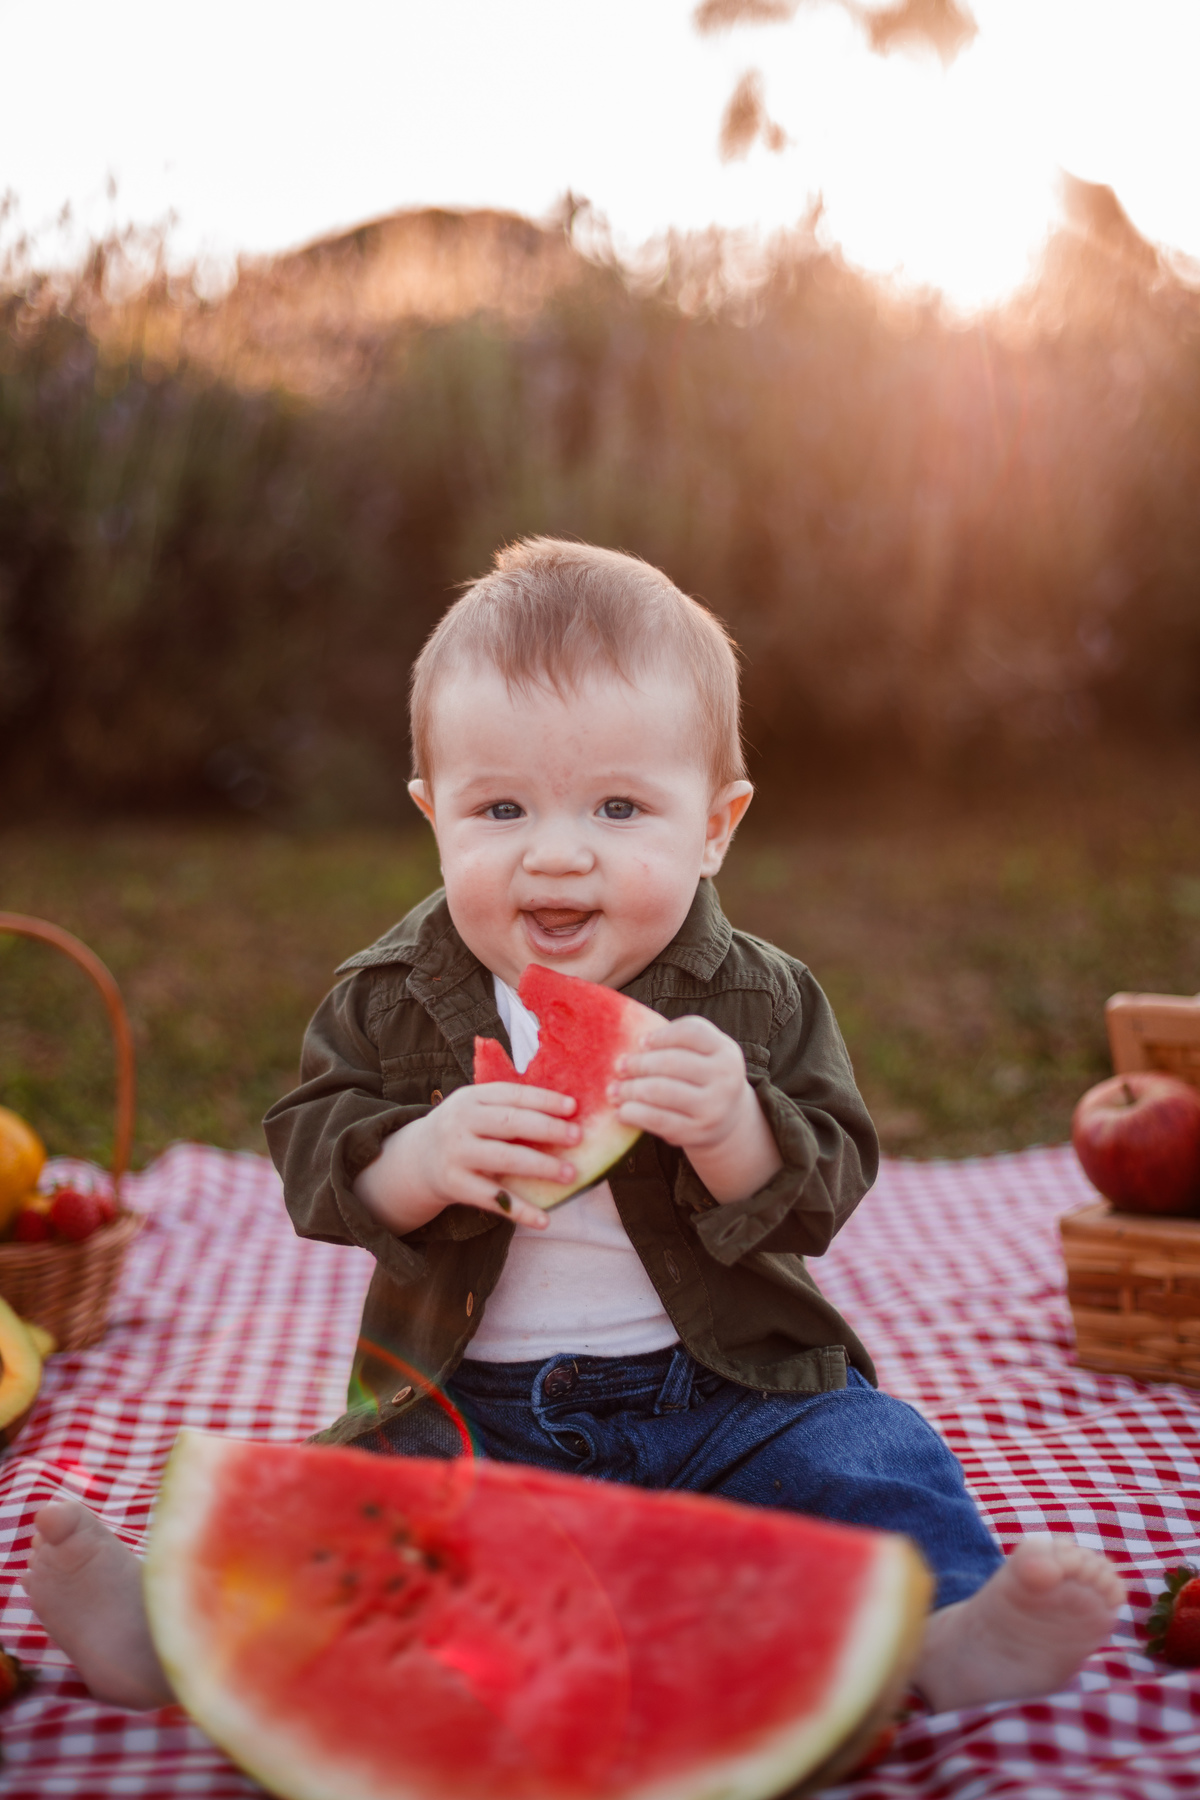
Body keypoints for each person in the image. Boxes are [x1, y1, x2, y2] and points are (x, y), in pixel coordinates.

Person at [25, 538, 1123, 1716]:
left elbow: (831, 1181)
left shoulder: (763, 998)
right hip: (465, 1408)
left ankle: (944, 1633)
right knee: (331, 1499)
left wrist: (739, 1132)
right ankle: (174, 1634)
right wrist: (419, 1158)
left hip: (729, 1397)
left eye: (618, 805)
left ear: (715, 825)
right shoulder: (387, 996)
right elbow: (311, 1160)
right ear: (431, 817)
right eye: (499, 807)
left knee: (869, 1453)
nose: (556, 851)